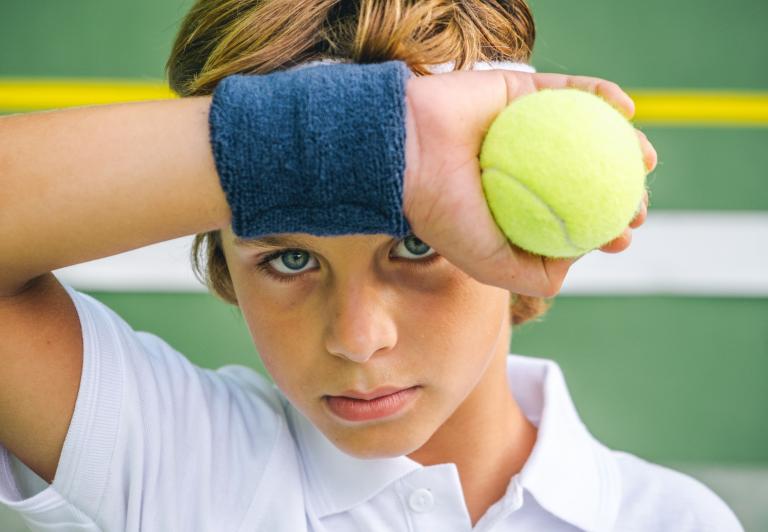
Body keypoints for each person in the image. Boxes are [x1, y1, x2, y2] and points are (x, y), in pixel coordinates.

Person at [0, 0, 742, 530]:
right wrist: (390, 139)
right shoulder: (180, 458)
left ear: (516, 237)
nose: (357, 339)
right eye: (291, 257)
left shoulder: (673, 520)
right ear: (223, 255)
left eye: (416, 245)